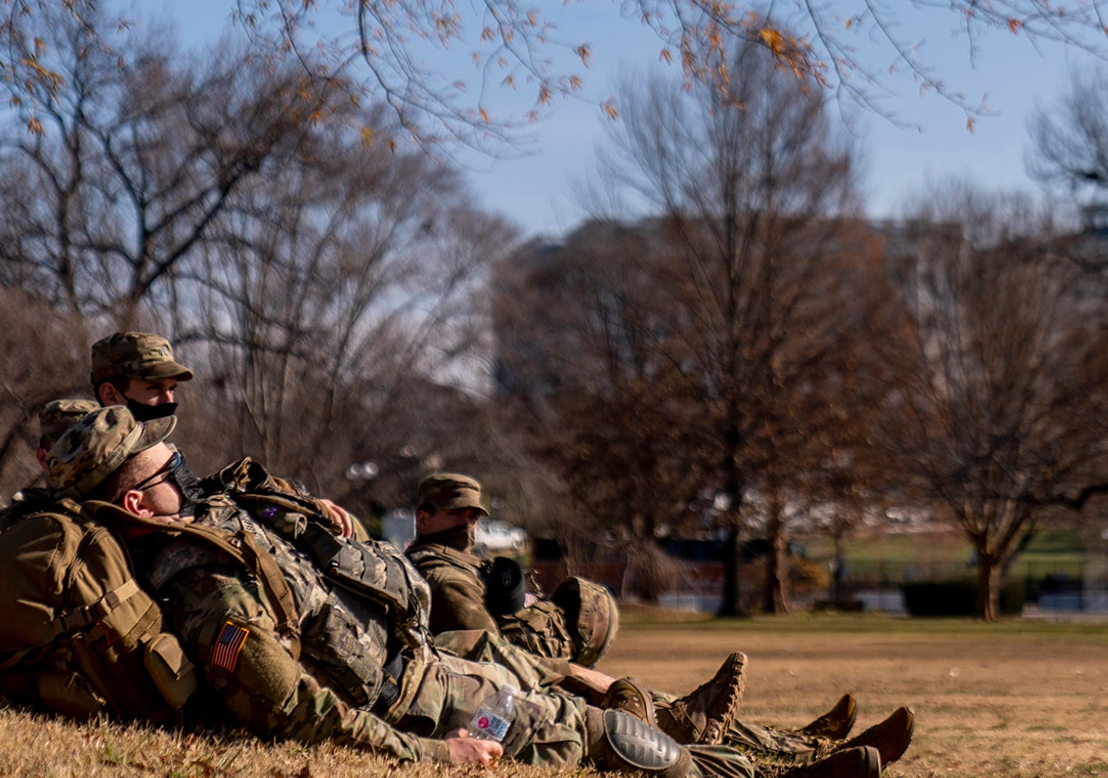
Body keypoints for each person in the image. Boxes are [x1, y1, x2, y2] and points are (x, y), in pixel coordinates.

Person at [44, 407, 896, 776]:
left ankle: (769, 763)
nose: (187, 479)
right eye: (170, 474)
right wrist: (430, 757)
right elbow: (297, 709)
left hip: (425, 672)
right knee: (601, 737)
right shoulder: (202, 588)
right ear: (132, 502)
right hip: (422, 708)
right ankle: (764, 772)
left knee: (601, 729)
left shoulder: (208, 532)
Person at [407, 472, 913, 774]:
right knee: (662, 724)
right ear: (423, 517)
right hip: (522, 690)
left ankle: (804, 745)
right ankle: (797, 759)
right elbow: (487, 650)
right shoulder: (440, 570)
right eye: (455, 515)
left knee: (674, 711)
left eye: (473, 515)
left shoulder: (469, 565)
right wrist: (567, 670)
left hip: (535, 678)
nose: (468, 524)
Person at [86, 332, 360, 538]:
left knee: (338, 521)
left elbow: (197, 496)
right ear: (110, 395)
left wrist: (296, 502)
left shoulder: (152, 444)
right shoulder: (94, 456)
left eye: (172, 389)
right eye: (154, 389)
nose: (168, 401)